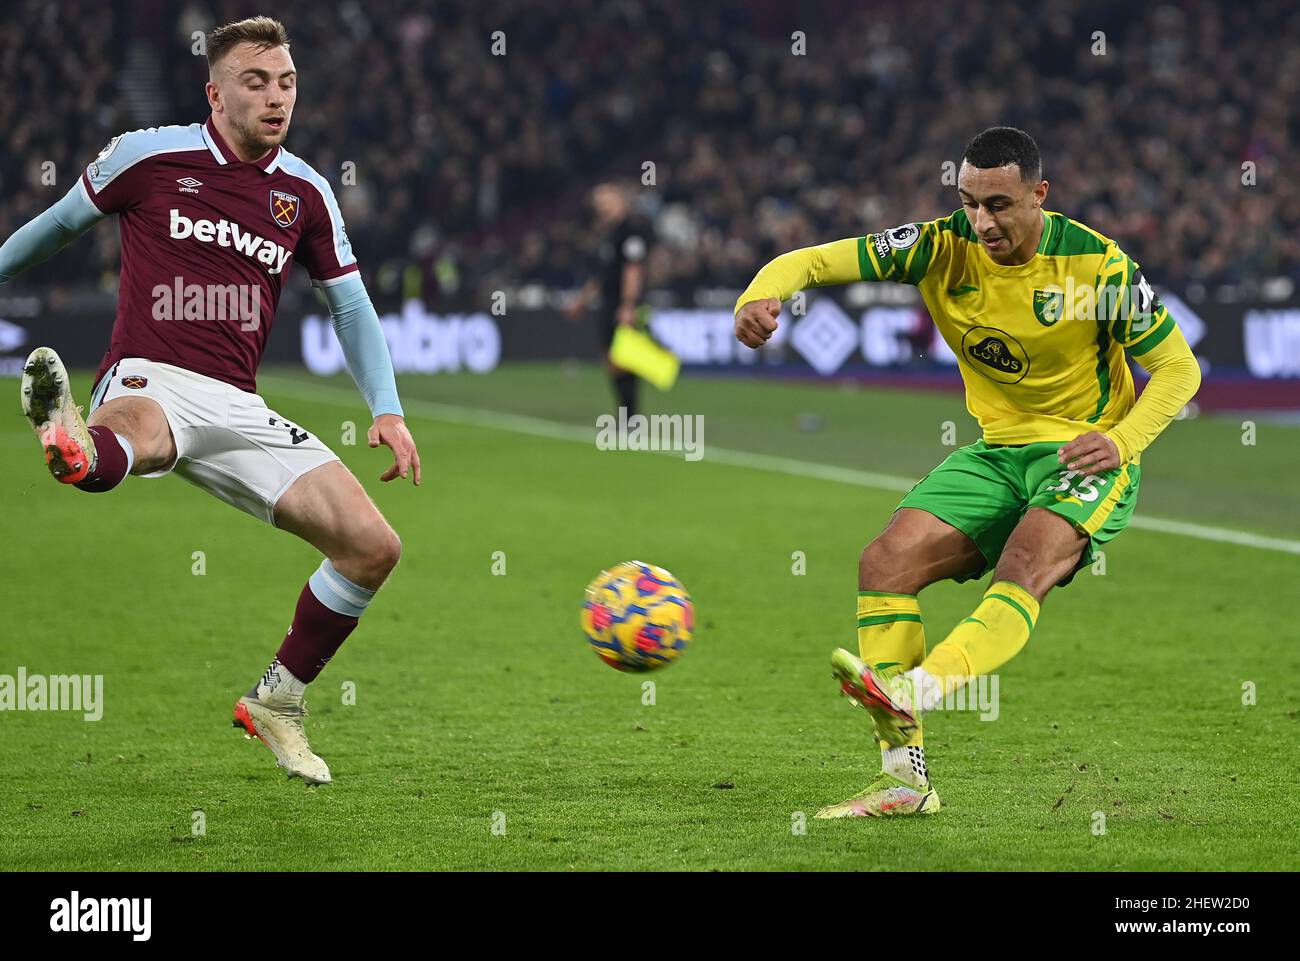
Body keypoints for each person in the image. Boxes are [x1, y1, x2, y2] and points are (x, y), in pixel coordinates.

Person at [1, 16, 421, 785]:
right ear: (215, 91)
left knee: (372, 545)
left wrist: (387, 408)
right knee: (134, 436)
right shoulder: (149, 155)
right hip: (149, 374)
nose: (275, 97)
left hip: (239, 403)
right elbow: (59, 226)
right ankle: (76, 445)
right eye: (256, 82)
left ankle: (277, 702)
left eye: (287, 83)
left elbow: (352, 308)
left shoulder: (306, 192)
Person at [733, 127, 1201, 816]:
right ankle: (903, 779)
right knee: (884, 561)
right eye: (971, 201)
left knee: (1026, 559)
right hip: (996, 451)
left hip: (1083, 452)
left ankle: (916, 689)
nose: (982, 221)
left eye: (1001, 204)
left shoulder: (1096, 266)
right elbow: (812, 260)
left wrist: (1123, 441)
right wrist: (760, 294)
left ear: (1040, 195)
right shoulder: (937, 245)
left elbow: (1178, 368)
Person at [567, 182, 651, 416]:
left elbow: (633, 270)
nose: (601, 207)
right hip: (608, 301)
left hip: (622, 303)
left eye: (605, 201)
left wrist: (628, 306)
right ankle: (626, 414)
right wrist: (583, 301)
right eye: (598, 203)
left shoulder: (631, 230)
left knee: (623, 358)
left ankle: (630, 416)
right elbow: (603, 273)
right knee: (610, 359)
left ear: (620, 199)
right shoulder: (609, 233)